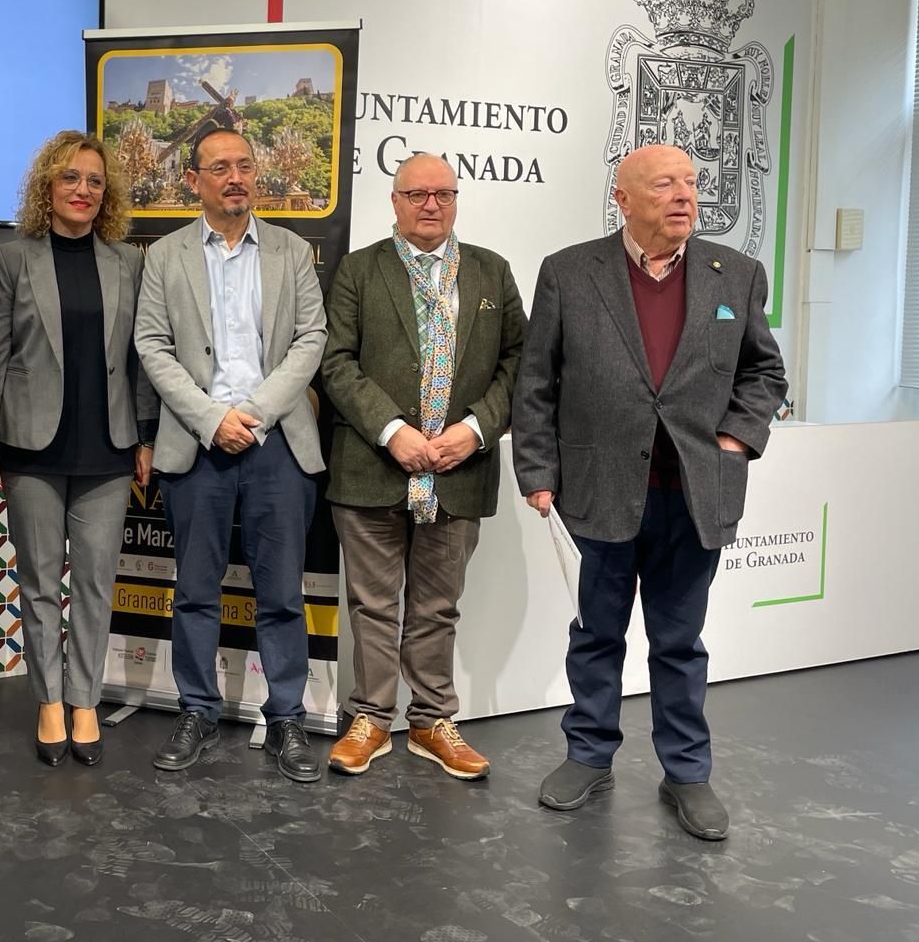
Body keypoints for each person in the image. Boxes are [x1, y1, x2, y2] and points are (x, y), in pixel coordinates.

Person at [511, 142, 787, 841]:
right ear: (623, 198)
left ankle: (688, 773)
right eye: (665, 184)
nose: (684, 196)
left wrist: (737, 438)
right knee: (597, 633)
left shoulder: (738, 274)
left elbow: (764, 373)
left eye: (691, 183)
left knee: (679, 641)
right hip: (599, 488)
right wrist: (537, 472)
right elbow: (536, 382)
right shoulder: (570, 273)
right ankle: (589, 755)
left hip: (694, 492)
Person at [321, 154, 526, 779]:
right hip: (372, 467)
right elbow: (336, 363)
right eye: (416, 193)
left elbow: (519, 364)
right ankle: (372, 720)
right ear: (394, 200)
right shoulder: (359, 270)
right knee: (373, 605)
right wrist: (393, 433)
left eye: (442, 193)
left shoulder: (492, 272)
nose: (430, 204)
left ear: (457, 198)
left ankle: (433, 719)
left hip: (459, 469)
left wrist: (472, 430)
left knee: (439, 607)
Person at [134, 128, 328, 783]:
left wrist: (256, 413)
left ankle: (288, 718)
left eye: (245, 165)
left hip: (277, 443)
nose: (236, 177)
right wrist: (214, 419)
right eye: (220, 168)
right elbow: (153, 347)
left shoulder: (293, 251)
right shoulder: (164, 256)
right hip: (199, 443)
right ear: (195, 180)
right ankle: (197, 709)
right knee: (194, 591)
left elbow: (311, 340)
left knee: (281, 593)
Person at [0, 130, 157, 766]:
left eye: (95, 181)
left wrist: (147, 435)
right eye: (71, 178)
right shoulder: (11, 256)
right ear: (46, 186)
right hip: (30, 447)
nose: (83, 190)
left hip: (109, 447)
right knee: (41, 584)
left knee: (98, 584)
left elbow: (140, 358)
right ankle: (50, 703)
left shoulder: (128, 261)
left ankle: (85, 701)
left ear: (108, 194)